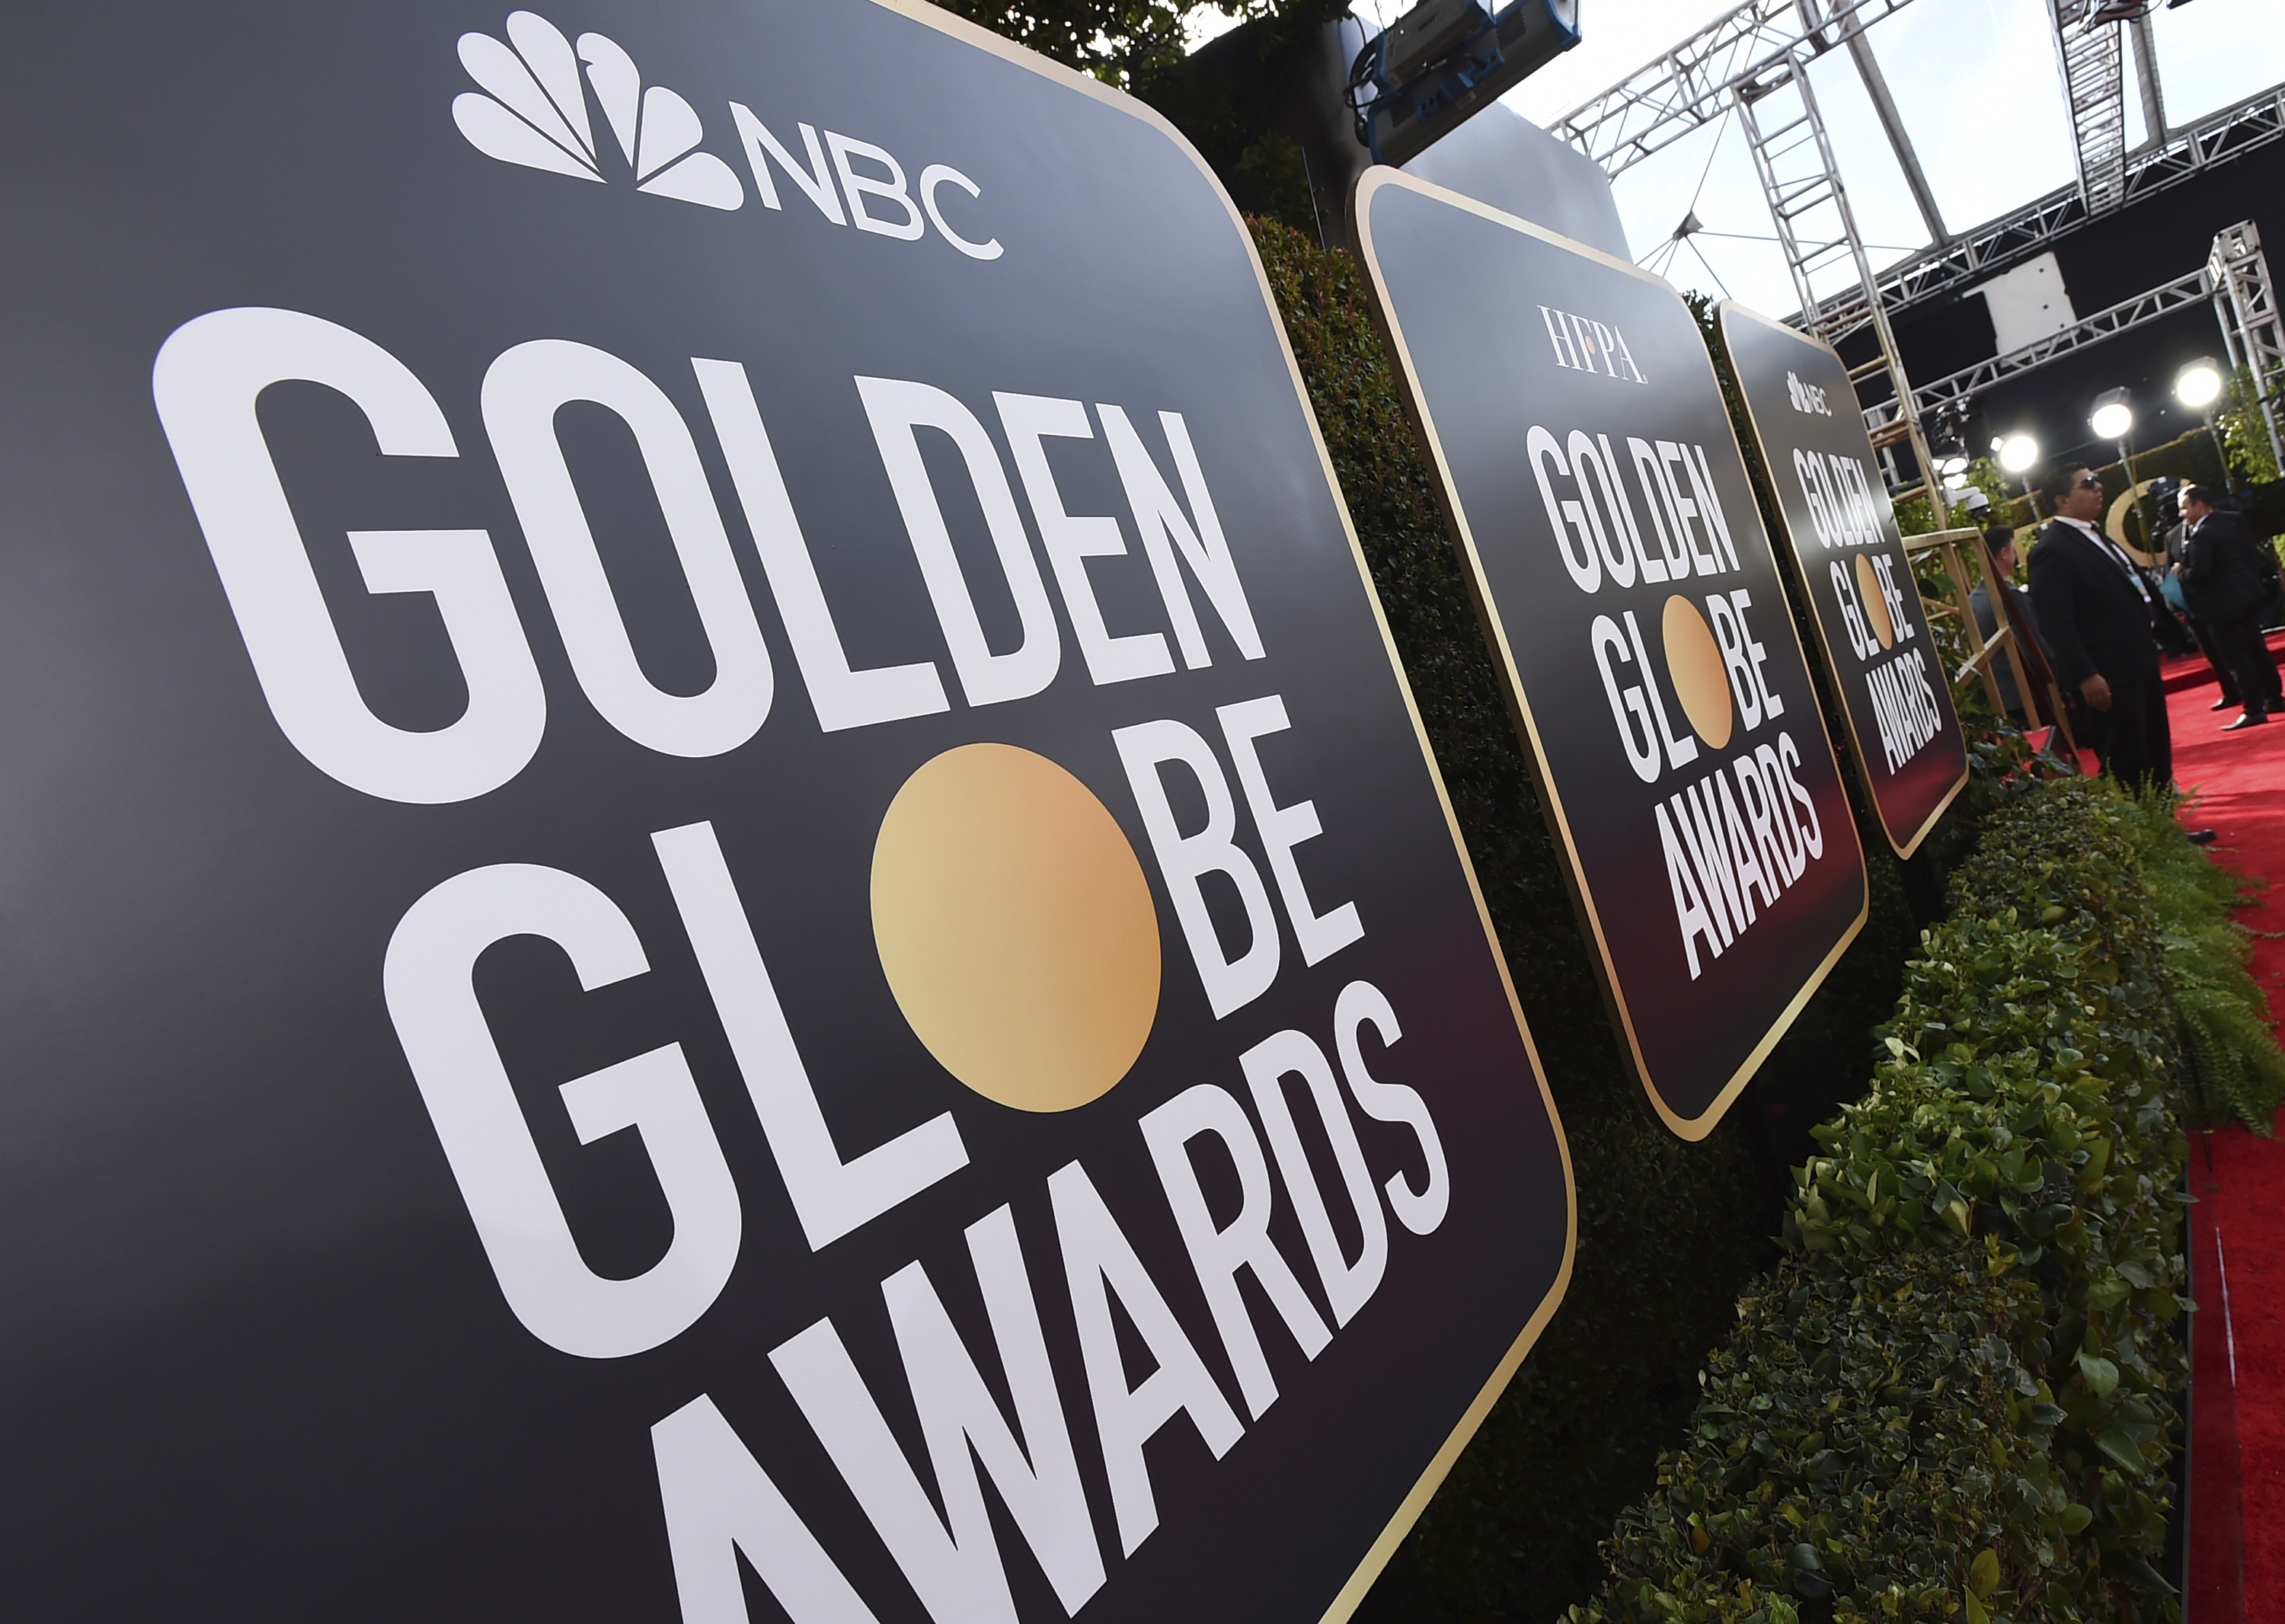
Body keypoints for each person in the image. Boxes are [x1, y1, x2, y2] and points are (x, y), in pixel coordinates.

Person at [2027, 465, 2175, 791]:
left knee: (2156, 747)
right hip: (2108, 673)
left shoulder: (2095, 534)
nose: (2099, 487)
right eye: (2088, 483)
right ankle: (2142, 821)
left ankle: (2165, 812)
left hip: (2139, 658)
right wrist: (2084, 674)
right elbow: (2055, 622)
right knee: (2128, 758)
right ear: (2063, 499)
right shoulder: (2051, 549)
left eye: (2096, 481)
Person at [2176, 481, 2282, 730]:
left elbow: (2199, 573)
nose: (2182, 514)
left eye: (2184, 508)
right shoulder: (2229, 523)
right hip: (2246, 596)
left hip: (2222, 605)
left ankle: (2253, 708)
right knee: (2257, 649)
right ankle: (2274, 698)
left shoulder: (2202, 534)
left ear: (2200, 506)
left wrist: (2179, 572)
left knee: (2237, 657)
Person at [1969, 527, 2060, 728]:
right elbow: (2034, 646)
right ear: (2004, 553)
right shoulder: (2010, 596)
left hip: (1999, 698)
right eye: (2013, 549)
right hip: (2030, 695)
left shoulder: (1973, 599)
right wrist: (2057, 678)